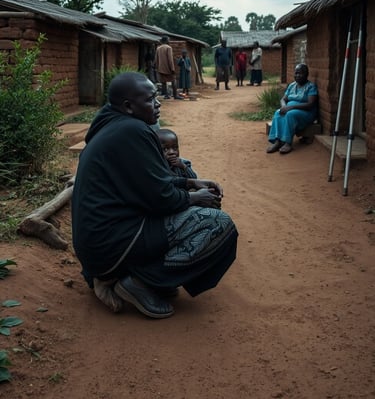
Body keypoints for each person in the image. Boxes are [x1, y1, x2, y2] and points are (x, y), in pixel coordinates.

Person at [71, 72, 238, 319]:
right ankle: (140, 282)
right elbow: (161, 198)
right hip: (111, 244)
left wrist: (190, 182)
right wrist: (195, 197)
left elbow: (146, 181)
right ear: (128, 106)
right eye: (150, 99)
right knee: (217, 222)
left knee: (194, 208)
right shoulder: (133, 130)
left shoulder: (111, 125)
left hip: (98, 246)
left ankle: (139, 277)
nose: (158, 103)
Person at [266, 63, 318, 155]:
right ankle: (277, 142)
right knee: (278, 113)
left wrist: (291, 107)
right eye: (296, 73)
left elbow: (310, 104)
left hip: (306, 112)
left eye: (300, 73)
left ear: (306, 74)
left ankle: (287, 143)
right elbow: (283, 99)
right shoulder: (292, 86)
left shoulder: (311, 86)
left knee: (290, 114)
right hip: (290, 109)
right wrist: (283, 106)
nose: (297, 75)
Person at [155, 35, 184, 100]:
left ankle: (166, 95)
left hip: (160, 68)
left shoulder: (158, 48)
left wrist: (157, 68)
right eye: (168, 39)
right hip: (168, 68)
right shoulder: (169, 48)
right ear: (166, 40)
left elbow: (156, 59)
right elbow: (170, 59)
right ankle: (175, 95)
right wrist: (172, 68)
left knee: (163, 82)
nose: (169, 41)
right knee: (173, 81)